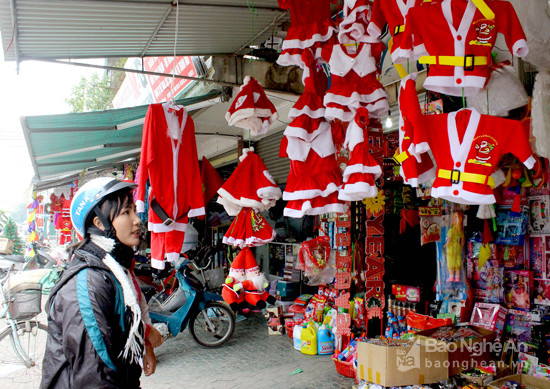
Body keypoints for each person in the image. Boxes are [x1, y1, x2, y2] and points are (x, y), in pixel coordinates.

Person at [41, 177, 163, 389]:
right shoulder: (89, 282)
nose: (137, 220)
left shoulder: (116, 269)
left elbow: (127, 321)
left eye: (134, 210)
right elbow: (93, 374)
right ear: (100, 223)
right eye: (126, 212)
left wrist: (146, 348)